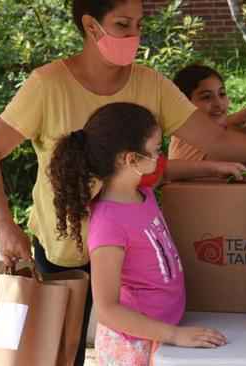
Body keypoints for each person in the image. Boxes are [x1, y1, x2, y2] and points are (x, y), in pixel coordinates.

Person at [0, 0, 246, 364]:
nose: (135, 35)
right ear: (91, 26)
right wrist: (5, 226)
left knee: (132, 346)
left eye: (139, 25)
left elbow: (213, 139)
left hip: (134, 257)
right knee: (56, 354)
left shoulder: (150, 84)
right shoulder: (47, 85)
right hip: (64, 251)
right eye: (123, 25)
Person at [50, 102, 236, 365]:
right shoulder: (108, 224)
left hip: (162, 335)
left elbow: (169, 171)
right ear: (130, 160)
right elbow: (107, 310)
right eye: (156, 150)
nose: (160, 158)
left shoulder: (143, 191)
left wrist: (218, 167)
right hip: (133, 347)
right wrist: (175, 335)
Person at [169, 63, 246, 160]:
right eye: (206, 97)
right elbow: (220, 141)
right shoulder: (188, 137)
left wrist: (236, 120)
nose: (218, 104)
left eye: (222, 94)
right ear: (184, 103)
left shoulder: (208, 132)